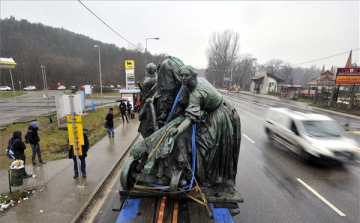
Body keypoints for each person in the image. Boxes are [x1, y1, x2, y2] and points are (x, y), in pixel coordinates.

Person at [131, 65, 241, 187]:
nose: (183, 78)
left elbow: (189, 119)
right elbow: (182, 105)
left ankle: (209, 178)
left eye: (186, 75)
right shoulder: (188, 85)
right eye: (181, 75)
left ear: (194, 76)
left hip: (218, 114)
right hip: (208, 111)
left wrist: (177, 132)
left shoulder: (197, 93)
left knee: (205, 147)